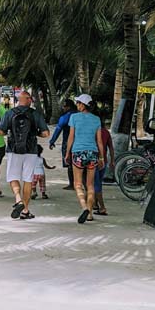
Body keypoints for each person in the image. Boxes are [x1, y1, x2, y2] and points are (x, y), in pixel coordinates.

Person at [0, 90, 49, 220]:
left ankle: (18, 199)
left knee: (13, 177)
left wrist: (9, 133)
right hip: (31, 150)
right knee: (27, 179)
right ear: (28, 100)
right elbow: (46, 133)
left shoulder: (10, 113)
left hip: (14, 149)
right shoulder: (35, 114)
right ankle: (25, 210)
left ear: (19, 100)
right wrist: (35, 133)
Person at [65, 94, 104, 224]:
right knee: (90, 185)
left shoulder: (74, 117)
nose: (77, 105)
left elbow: (71, 137)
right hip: (92, 153)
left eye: (78, 103)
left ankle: (84, 207)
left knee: (77, 184)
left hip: (78, 153)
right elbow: (99, 141)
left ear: (83, 105)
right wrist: (102, 157)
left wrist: (67, 153)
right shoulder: (96, 119)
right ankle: (90, 213)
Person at [93, 117, 115, 216]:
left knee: (95, 184)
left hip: (94, 160)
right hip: (104, 161)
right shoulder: (106, 132)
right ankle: (95, 204)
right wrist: (112, 160)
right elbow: (110, 147)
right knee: (98, 183)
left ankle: (102, 207)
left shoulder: (93, 132)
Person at [48, 99, 74, 182]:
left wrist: (52, 141)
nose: (63, 108)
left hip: (68, 142)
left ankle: (72, 184)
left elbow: (58, 130)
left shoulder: (65, 117)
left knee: (69, 162)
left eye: (64, 106)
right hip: (80, 142)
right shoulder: (79, 115)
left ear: (68, 107)